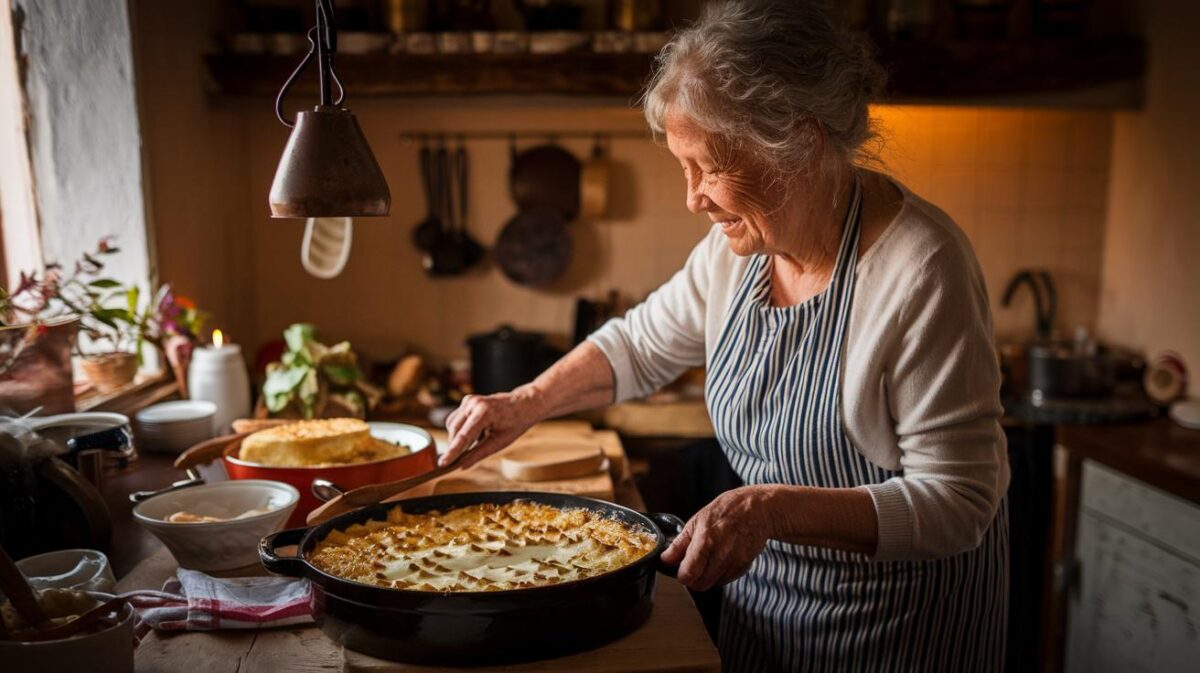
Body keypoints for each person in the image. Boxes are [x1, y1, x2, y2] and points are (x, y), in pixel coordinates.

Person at [442, 2, 1009, 670]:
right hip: (765, 610)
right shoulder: (735, 250)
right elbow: (639, 344)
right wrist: (524, 402)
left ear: (800, 144)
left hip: (900, 632)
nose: (693, 198)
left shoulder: (920, 268)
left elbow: (959, 501)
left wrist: (769, 510)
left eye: (708, 167)